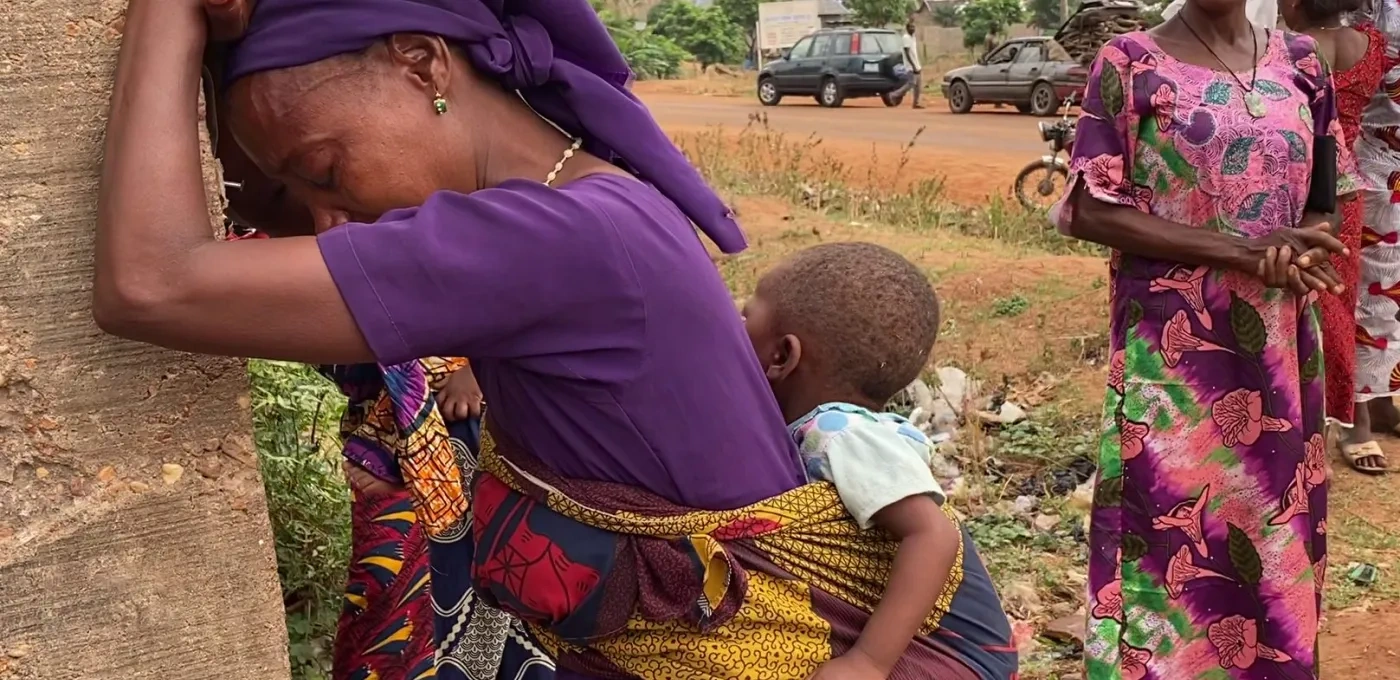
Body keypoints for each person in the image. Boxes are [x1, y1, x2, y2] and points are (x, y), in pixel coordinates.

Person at [93, 0, 971, 675]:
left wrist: (165, 9)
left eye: (324, 171)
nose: (324, 223)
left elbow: (150, 282)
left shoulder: (544, 239)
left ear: (421, 63)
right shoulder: (593, 200)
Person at [1051, 0, 1359, 674]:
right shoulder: (1130, 64)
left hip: (1278, 348)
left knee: (1271, 528)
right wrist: (1240, 252)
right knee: (1173, 532)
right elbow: (1088, 210)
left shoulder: (1304, 63)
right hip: (1176, 358)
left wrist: (1297, 250)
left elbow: (1323, 206)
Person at [742, 242, 1017, 680]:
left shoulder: (839, 433)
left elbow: (932, 534)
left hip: (958, 655)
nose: (735, 327)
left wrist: (867, 662)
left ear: (781, 356)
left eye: (745, 316)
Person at [1282, 0, 1386, 471]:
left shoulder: (1294, 49)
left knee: (1296, 301)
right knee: (1341, 303)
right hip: (1350, 185)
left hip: (1300, 180)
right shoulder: (1372, 44)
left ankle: (1301, 423)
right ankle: (1347, 421)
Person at [1349, 0, 1400, 474]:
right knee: (1364, 285)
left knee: (1394, 290)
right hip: (1367, 159)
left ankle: (1383, 398)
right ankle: (1354, 416)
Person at [892, 21, 925, 109]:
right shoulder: (906, 38)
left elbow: (914, 52)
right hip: (910, 65)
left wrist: (917, 65)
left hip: (916, 64)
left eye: (914, 27)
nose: (913, 29)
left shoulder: (913, 37)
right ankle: (894, 95)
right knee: (911, 84)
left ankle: (916, 103)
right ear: (907, 28)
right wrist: (913, 65)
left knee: (918, 86)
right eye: (911, 27)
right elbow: (907, 53)